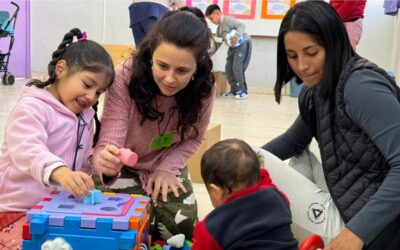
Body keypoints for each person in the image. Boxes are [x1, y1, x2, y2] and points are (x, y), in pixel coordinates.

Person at [259, 1, 400, 249]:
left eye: (311, 53)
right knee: (249, 158)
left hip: (380, 228)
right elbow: (292, 142)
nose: (301, 66)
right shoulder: (316, 92)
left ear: (334, 44)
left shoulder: (360, 86)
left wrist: (356, 233)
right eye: (292, 56)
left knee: (248, 164)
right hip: (352, 199)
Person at [93, 11, 216, 241]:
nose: (170, 79)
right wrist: (106, 162)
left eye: (182, 71)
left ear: (197, 68)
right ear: (151, 55)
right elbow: (110, 141)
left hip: (167, 157)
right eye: (162, 65)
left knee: (181, 226)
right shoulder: (124, 76)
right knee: (132, 223)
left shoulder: (205, 88)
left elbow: (194, 137)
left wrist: (167, 167)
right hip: (125, 164)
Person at [0, 28, 114, 247]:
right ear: (61, 69)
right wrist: (60, 172)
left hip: (57, 208)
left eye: (99, 92)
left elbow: (81, 163)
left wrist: (101, 165)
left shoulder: (84, 117)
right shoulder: (32, 108)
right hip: (16, 209)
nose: (92, 96)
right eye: (88, 85)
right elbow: (28, 149)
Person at [192, 139, 298, 250]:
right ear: (258, 175)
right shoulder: (276, 196)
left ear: (215, 191)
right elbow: (269, 186)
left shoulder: (210, 228)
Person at [205, 4, 252, 99]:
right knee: (228, 67)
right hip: (233, 47)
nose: (211, 21)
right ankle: (234, 91)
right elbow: (217, 44)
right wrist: (207, 55)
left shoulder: (227, 20)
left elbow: (242, 26)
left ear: (217, 13)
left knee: (237, 67)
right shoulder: (219, 30)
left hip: (243, 42)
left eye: (211, 18)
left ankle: (243, 90)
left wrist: (236, 36)